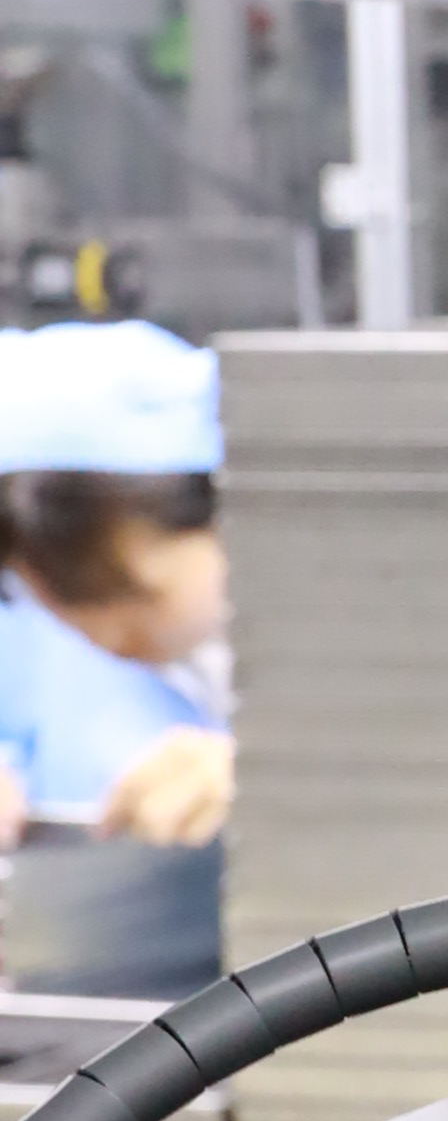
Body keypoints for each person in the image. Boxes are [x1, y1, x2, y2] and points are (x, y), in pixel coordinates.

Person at [0, 316, 232, 1006]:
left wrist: (279, 780)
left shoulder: (345, 636)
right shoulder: (30, 644)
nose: (103, 631)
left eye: (128, 593)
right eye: (63, 597)